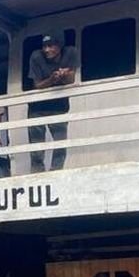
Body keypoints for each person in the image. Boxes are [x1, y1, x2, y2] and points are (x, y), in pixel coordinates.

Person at [27, 31, 79, 172]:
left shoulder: (71, 53)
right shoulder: (36, 56)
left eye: (51, 46)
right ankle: (38, 175)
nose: (46, 50)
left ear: (60, 46)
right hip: (37, 107)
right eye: (44, 46)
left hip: (59, 105)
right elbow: (37, 85)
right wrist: (52, 79)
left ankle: (57, 172)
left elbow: (71, 79)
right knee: (37, 147)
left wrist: (64, 75)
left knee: (60, 144)